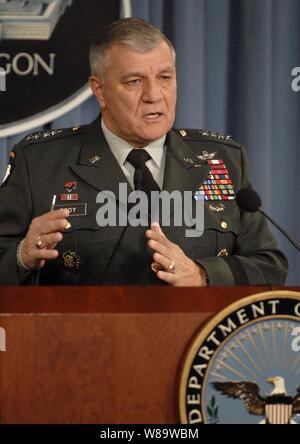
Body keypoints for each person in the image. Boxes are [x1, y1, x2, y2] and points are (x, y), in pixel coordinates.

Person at [0, 18, 288, 286]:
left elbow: (269, 265)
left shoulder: (222, 160)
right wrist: (21, 257)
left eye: (165, 77)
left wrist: (202, 275)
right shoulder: (39, 163)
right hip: (84, 337)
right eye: (134, 81)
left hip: (197, 336)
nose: (154, 95)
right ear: (99, 90)